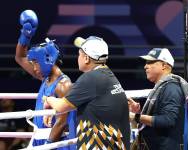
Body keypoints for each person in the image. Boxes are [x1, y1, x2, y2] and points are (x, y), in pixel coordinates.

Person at [43, 36, 130, 149]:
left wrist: (47, 99)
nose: (77, 58)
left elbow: (61, 107)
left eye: (79, 54)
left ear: (86, 59)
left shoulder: (90, 78)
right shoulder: (107, 75)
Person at [15, 10, 76, 149]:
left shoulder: (63, 85)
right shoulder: (44, 77)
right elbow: (20, 57)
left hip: (56, 141)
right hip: (39, 137)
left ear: (47, 60)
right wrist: (25, 36)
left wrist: (47, 146)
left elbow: (62, 122)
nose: (34, 67)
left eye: (36, 62)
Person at [129, 48, 188, 150]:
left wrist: (135, 116)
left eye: (150, 62)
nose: (145, 66)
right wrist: (138, 113)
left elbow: (168, 120)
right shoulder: (162, 88)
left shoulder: (171, 88)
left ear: (164, 65)